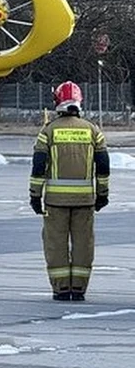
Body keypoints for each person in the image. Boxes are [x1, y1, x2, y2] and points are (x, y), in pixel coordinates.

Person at [29, 80, 109, 301]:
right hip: (85, 201)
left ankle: (61, 288)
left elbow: (38, 167)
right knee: (84, 243)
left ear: (57, 102)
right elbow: (103, 166)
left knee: (56, 244)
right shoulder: (93, 131)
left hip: (55, 202)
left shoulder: (49, 132)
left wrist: (35, 195)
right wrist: (102, 194)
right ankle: (80, 288)